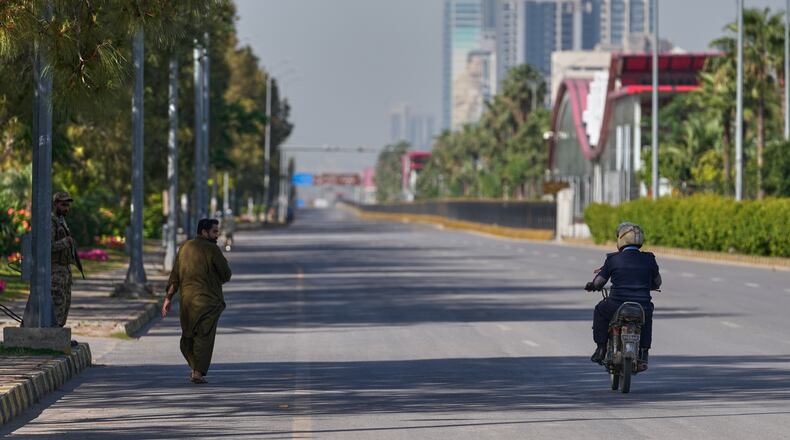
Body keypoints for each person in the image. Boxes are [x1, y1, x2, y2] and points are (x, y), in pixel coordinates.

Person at [162, 218, 232, 384]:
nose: (217, 235)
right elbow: (226, 274)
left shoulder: (185, 247)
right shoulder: (212, 249)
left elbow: (174, 277)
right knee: (204, 338)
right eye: (214, 231)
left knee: (189, 336)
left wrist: (168, 298)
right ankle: (197, 372)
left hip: (186, 303)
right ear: (204, 232)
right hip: (209, 302)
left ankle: (195, 369)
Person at [585, 222, 662, 371]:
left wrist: (592, 286)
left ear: (621, 239)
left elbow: (599, 282)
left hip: (616, 306)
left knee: (600, 310)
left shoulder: (613, 259)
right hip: (642, 307)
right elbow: (658, 282)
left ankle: (601, 349)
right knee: (647, 318)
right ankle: (644, 353)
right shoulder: (649, 259)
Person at [51, 191, 78, 327]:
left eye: (67, 205)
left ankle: (60, 334)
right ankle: (54, 335)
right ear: (55, 204)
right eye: (63, 205)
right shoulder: (51, 222)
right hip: (55, 271)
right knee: (58, 304)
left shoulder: (62, 221)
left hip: (64, 270)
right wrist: (65, 242)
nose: (66, 208)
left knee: (65, 305)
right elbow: (46, 247)